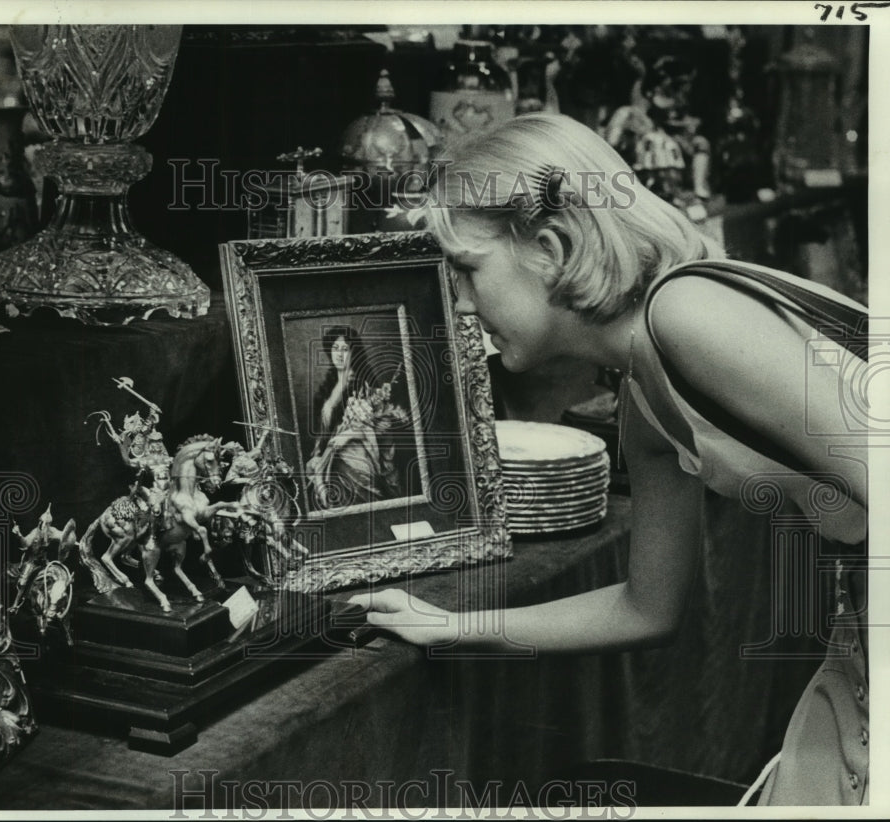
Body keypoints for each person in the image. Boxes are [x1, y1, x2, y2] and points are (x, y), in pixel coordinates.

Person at [349, 113, 868, 805]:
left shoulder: (684, 313)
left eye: (468, 271)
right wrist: (453, 626)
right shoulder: (645, 391)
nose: (461, 306)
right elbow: (645, 609)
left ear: (551, 247)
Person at [306, 325, 408, 510]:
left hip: (357, 452)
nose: (339, 354)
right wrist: (319, 452)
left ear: (354, 352)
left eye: (345, 349)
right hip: (331, 453)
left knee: (361, 501)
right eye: (335, 348)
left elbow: (381, 425)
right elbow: (322, 428)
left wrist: (348, 435)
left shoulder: (365, 384)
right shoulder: (327, 387)